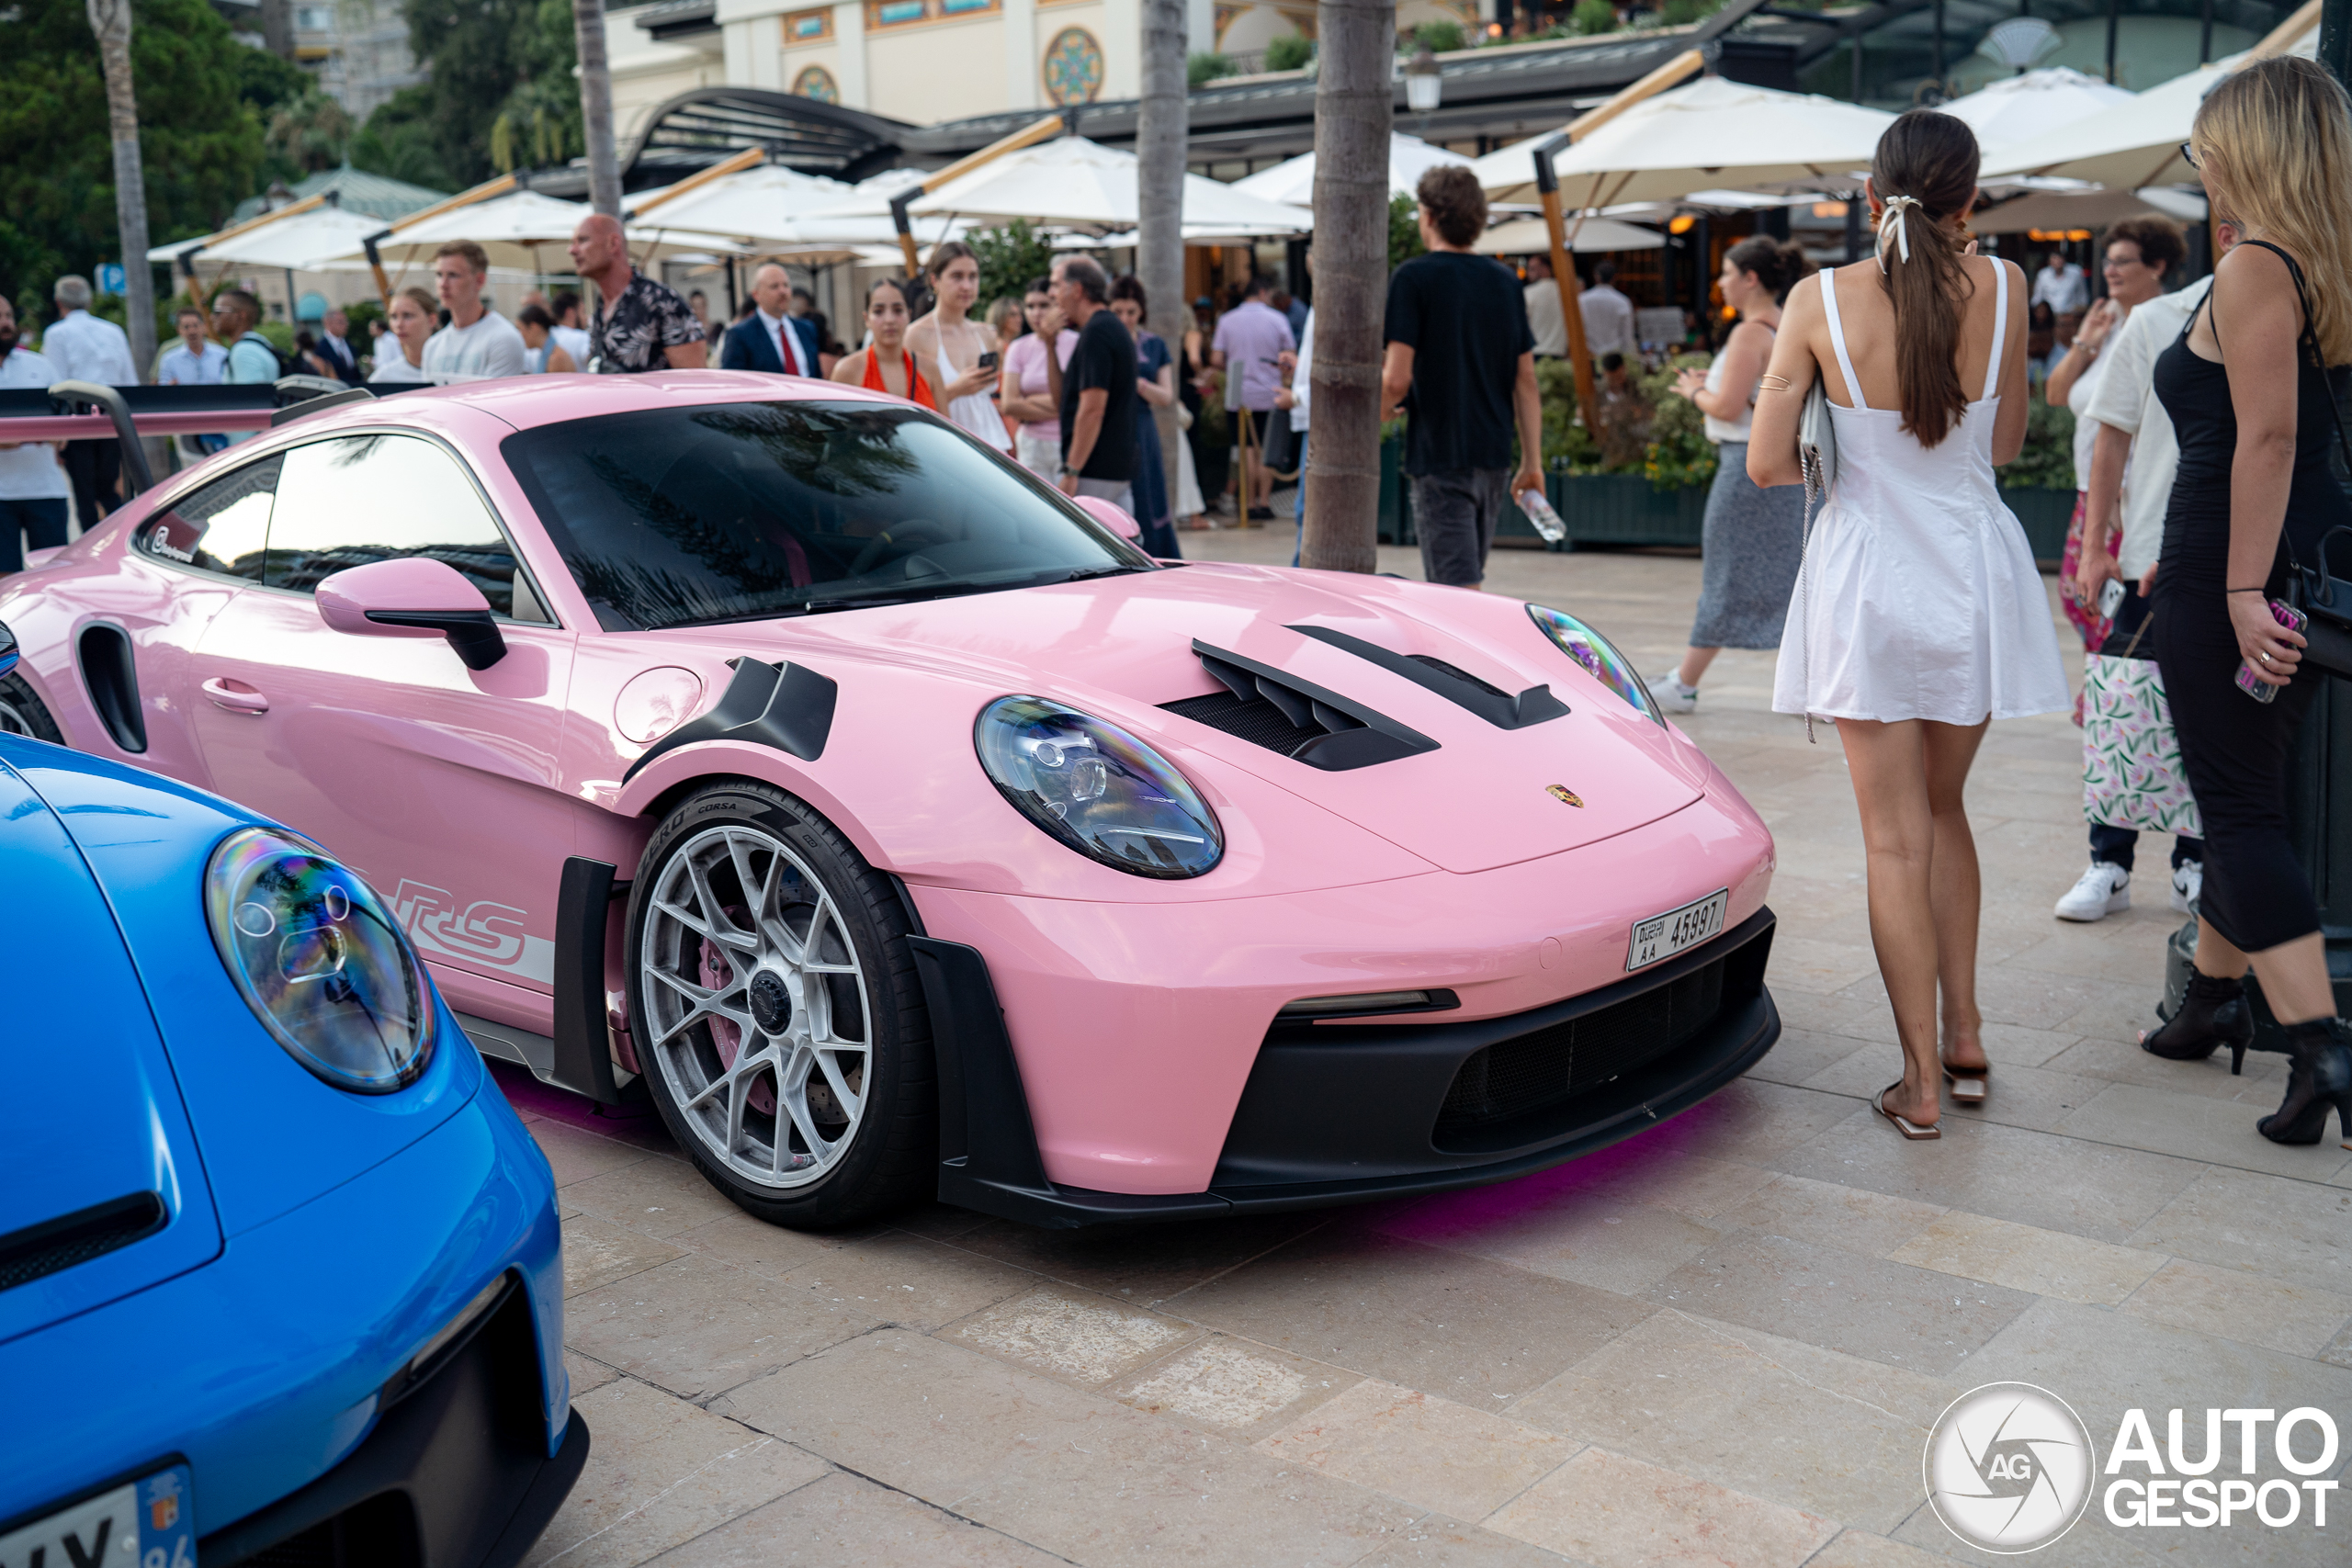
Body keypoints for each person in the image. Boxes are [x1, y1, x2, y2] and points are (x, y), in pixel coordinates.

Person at [1749, 108, 2067, 1139]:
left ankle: (1919, 1084)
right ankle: (1967, 1035)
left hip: (1868, 580)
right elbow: (2006, 440)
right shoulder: (2010, 288)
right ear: (1970, 197)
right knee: (1945, 814)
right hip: (1972, 573)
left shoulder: (1816, 299)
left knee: (1893, 844)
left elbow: (1763, 462)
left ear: (1868, 193)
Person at [2136, 57, 2352, 1143]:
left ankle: (2321, 1054)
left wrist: (2233, 590)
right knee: (2246, 786)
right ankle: (2209, 1001)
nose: (2201, 164)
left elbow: (2263, 436)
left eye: (2203, 145)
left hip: (2234, 565)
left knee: (2239, 807)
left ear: (2247, 150)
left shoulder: (2257, 264)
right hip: (2311, 569)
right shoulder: (2333, 263)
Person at [2056, 219, 2212, 925]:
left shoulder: (2275, 308)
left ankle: (2195, 862)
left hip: (2231, 548)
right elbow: (2102, 425)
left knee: (2209, 717)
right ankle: (2109, 862)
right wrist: (2096, 545)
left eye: (2124, 260)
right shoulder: (2155, 321)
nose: (2112, 270)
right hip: (2144, 536)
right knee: (2122, 697)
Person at [1652, 237, 1817, 714]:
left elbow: (1726, 406)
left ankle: (1684, 683)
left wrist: (1694, 390)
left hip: (1744, 467)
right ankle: (1814, 689)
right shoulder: (1784, 327)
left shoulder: (1750, 334)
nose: (1720, 283)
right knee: (1793, 578)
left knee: (1726, 574)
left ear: (1751, 278)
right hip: (1785, 467)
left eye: (1726, 273)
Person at [1381, 164, 1544, 591]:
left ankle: (1459, 661)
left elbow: (1396, 378)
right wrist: (1533, 461)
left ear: (1431, 216)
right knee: (1464, 583)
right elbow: (1525, 379)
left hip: (1441, 452)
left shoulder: (1413, 278)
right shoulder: (1506, 282)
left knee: (1456, 594)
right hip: (1492, 453)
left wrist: (1378, 412)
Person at [2045, 219, 2183, 663]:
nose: (2111, 270)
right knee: (2079, 596)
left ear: (2158, 266)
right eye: (2108, 261)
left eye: (2124, 262)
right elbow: (2056, 394)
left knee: (2115, 603)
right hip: (2092, 491)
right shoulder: (2105, 323)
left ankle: (2112, 696)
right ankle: (2106, 692)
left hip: (2129, 496)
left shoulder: (2167, 329)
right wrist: (2086, 343)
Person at [42, 275, 139, 529]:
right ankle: (124, 535)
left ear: (58, 301)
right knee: (109, 490)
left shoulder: (56, 333)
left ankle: (91, 549)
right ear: (90, 300)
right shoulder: (113, 331)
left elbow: (56, 385)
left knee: (85, 495)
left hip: (78, 419)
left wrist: (57, 438)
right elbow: (129, 381)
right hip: (113, 415)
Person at [1042, 256, 1136, 510]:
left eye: (1056, 285)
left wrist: (1072, 470)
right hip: (1110, 468)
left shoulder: (1098, 332)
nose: (1052, 295)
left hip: (1095, 469)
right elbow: (1062, 401)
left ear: (1077, 290)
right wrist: (1049, 346)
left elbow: (1093, 409)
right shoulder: (1103, 328)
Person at [568, 214, 707, 373]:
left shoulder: (661, 302)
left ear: (613, 243)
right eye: (572, 243)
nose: (572, 250)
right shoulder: (601, 309)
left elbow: (695, 382)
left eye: (583, 240)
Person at [907, 242, 1010, 451]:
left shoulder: (985, 333)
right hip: (944, 447)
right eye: (957, 276)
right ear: (935, 280)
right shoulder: (918, 335)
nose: (967, 286)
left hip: (991, 442)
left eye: (973, 276)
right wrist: (955, 389)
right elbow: (908, 403)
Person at [1209, 274, 1295, 519]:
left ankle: (1247, 503)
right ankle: (1264, 503)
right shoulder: (1277, 319)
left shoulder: (1227, 320)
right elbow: (1289, 357)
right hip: (1270, 393)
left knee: (1244, 448)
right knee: (1266, 450)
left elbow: (1216, 359)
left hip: (1238, 393)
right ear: (1263, 293)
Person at [1108, 276, 1179, 558]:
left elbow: (1166, 396)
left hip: (1143, 426)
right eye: (1118, 312)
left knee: (1148, 491)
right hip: (1112, 426)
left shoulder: (1154, 345)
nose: (1125, 318)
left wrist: (1136, 383)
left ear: (1141, 312)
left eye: (1131, 312)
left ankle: (1156, 554)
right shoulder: (1103, 342)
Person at [0, 297, 70, 575]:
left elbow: (64, 429)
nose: (6, 322)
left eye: (8, 315)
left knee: (52, 578)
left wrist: (14, 438)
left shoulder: (40, 366)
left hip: (46, 490)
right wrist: (32, 435)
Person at [420, 242, 527, 380]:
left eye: (453, 275)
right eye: (439, 275)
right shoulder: (432, 346)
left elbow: (495, 399)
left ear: (479, 280)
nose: (443, 284)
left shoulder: (503, 338)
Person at [1000, 276, 1073, 480]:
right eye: (1030, 306)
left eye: (1043, 305)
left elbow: (1076, 402)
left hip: (1067, 441)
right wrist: (1059, 405)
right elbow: (1008, 404)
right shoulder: (1018, 347)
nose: (1036, 313)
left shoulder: (1076, 343)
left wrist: (1029, 402)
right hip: (1031, 442)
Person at [828, 277, 936, 407]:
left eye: (898, 310)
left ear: (909, 315)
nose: (889, 320)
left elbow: (945, 424)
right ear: (867, 318)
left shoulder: (929, 369)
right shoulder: (847, 371)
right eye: (878, 311)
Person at [718, 264, 823, 377]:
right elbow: (734, 381)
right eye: (774, 286)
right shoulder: (740, 334)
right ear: (756, 295)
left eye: (786, 285)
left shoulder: (806, 329)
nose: (783, 291)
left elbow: (816, 376)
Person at [209, 290, 281, 445]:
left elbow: (251, 409)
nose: (212, 317)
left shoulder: (243, 352)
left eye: (218, 312)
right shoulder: (260, 344)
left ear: (240, 315)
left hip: (249, 448)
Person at [1276, 304, 1313, 562]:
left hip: (1318, 421)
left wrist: (1298, 397)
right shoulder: (1315, 305)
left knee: (1308, 508)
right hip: (1309, 418)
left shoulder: (1331, 297)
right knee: (1306, 508)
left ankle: (1303, 573)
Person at [368, 287, 439, 385]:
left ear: (431, 320)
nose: (399, 324)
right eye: (393, 317)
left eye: (407, 316)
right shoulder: (384, 378)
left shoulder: (452, 370)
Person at [1579, 258, 1637, 365]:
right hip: (1614, 357)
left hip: (1589, 355)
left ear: (1596, 276)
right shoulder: (1622, 301)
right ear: (1615, 277)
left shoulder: (1582, 300)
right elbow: (1627, 335)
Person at [157, 305, 227, 388]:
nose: (192, 331)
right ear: (179, 330)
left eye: (195, 325)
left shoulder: (222, 355)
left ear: (205, 327)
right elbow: (162, 389)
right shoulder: (169, 360)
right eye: (186, 327)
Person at [2031, 251, 2090, 341]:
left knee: (2069, 341)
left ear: (2064, 260)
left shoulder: (2076, 272)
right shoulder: (2043, 275)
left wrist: (2078, 312)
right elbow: (2037, 298)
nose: (2058, 261)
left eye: (2060, 258)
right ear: (2049, 261)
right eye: (2054, 258)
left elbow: (2082, 296)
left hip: (2069, 317)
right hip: (2050, 318)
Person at [1522, 253, 1567, 358]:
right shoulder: (1565, 291)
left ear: (1545, 269)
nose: (1528, 273)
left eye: (1532, 269)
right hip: (1561, 351)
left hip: (1536, 351)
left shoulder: (1528, 292)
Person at [515, 304, 579, 373]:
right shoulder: (548, 354)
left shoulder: (556, 359)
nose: (520, 335)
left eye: (520, 329)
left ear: (534, 327)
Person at [314, 308, 364, 384]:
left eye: (346, 321)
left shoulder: (349, 343)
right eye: (341, 322)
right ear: (328, 323)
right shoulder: (319, 347)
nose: (346, 325)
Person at [549, 291, 594, 368]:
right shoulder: (581, 337)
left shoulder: (548, 335)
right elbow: (595, 362)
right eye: (583, 312)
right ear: (570, 312)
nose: (586, 318)